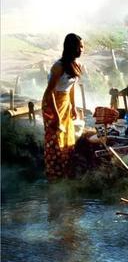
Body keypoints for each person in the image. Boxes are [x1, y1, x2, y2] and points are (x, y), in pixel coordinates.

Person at [42, 33, 84, 180]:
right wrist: (57, 117)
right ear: (72, 47)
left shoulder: (76, 65)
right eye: (80, 46)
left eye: (82, 47)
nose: (82, 49)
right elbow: (49, 92)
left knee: (68, 136)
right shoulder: (58, 67)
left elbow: (72, 87)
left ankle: (66, 172)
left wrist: (73, 106)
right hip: (52, 103)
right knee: (55, 137)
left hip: (65, 102)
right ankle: (54, 175)